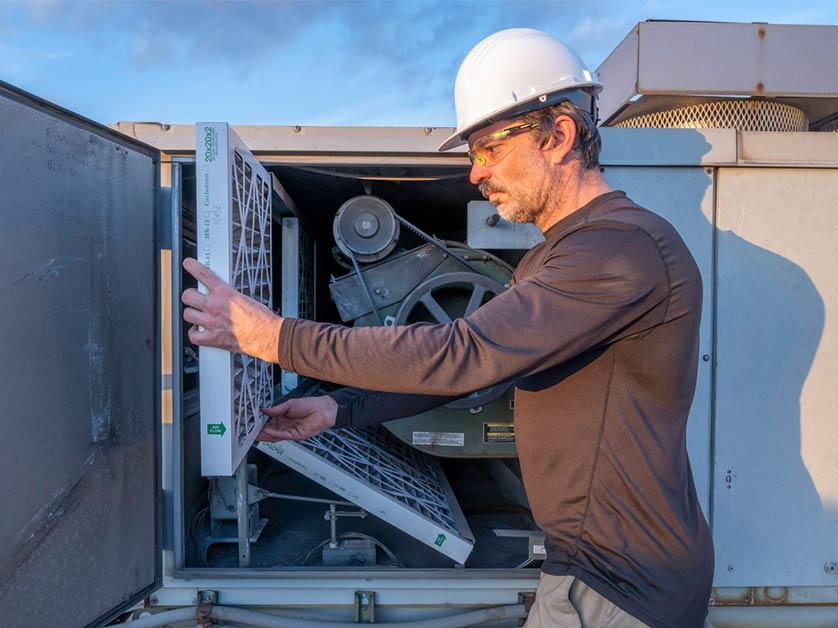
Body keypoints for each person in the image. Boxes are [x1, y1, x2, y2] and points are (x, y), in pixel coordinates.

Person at [181, 28, 714, 628]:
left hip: (620, 586)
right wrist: (338, 410)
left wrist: (275, 338)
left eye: (489, 148)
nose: (476, 174)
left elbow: (461, 354)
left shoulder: (619, 250)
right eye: (472, 155)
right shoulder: (567, 254)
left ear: (559, 135)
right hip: (600, 572)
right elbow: (473, 375)